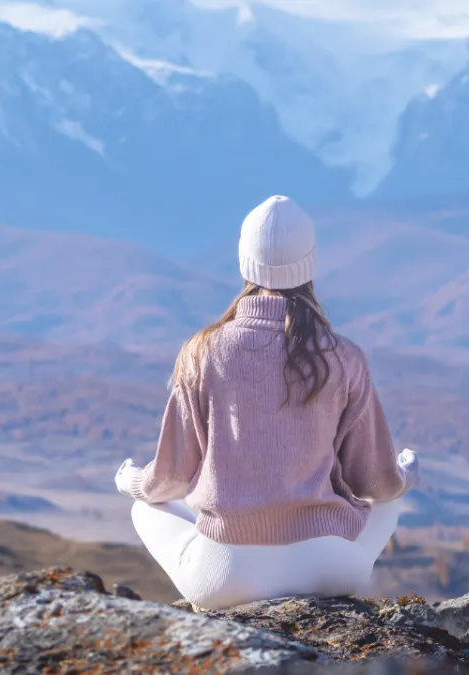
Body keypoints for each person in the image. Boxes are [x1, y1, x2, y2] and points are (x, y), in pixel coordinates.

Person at [115, 195, 419, 611]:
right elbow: (376, 484)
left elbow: (169, 480)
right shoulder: (344, 356)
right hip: (328, 568)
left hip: (225, 576)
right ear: (311, 263)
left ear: (244, 261)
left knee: (146, 509)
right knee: (391, 500)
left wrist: (129, 480)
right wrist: (406, 473)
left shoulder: (202, 352)